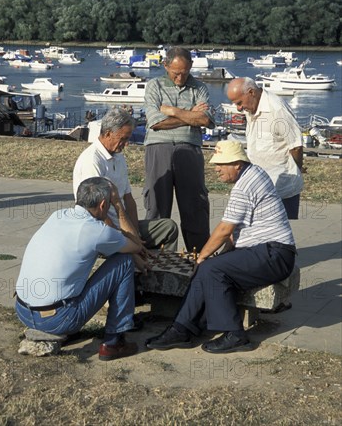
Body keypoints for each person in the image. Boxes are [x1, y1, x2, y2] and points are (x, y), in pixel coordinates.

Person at [146, 141, 296, 354]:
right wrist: (213, 257)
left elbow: (225, 229)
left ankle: (235, 334)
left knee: (209, 268)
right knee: (209, 268)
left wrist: (202, 257)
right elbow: (235, 233)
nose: (216, 169)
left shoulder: (245, 185)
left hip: (274, 254)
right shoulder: (252, 174)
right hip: (267, 251)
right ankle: (182, 328)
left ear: (237, 164)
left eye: (221, 164)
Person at [15, 177, 146, 361]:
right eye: (108, 204)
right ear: (102, 205)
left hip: (22, 311)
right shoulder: (97, 230)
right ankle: (114, 341)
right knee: (124, 261)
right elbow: (135, 246)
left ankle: (59, 326)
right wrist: (118, 205)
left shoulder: (57, 215)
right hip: (56, 319)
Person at [73, 108, 178, 251]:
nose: (126, 143)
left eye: (128, 138)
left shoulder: (118, 156)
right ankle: (145, 266)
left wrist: (136, 235)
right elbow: (98, 214)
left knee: (168, 227)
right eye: (123, 138)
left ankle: (160, 268)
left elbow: (128, 199)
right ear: (108, 134)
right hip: (104, 230)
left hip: (124, 227)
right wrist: (128, 242)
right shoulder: (92, 161)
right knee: (135, 248)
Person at [143, 47, 216, 252]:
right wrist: (189, 116)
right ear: (166, 66)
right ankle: (156, 256)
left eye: (185, 71)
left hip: (190, 148)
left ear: (191, 66)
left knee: (195, 205)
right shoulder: (154, 85)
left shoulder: (199, 87)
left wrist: (172, 111)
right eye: (176, 72)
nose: (180, 76)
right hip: (158, 148)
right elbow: (154, 123)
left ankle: (199, 256)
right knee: (157, 204)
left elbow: (205, 119)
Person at [227, 77, 304, 219]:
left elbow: (296, 146)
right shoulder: (251, 107)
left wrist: (296, 170)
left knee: (277, 235)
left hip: (280, 185)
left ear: (251, 92)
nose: (238, 108)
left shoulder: (277, 109)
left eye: (239, 103)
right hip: (258, 184)